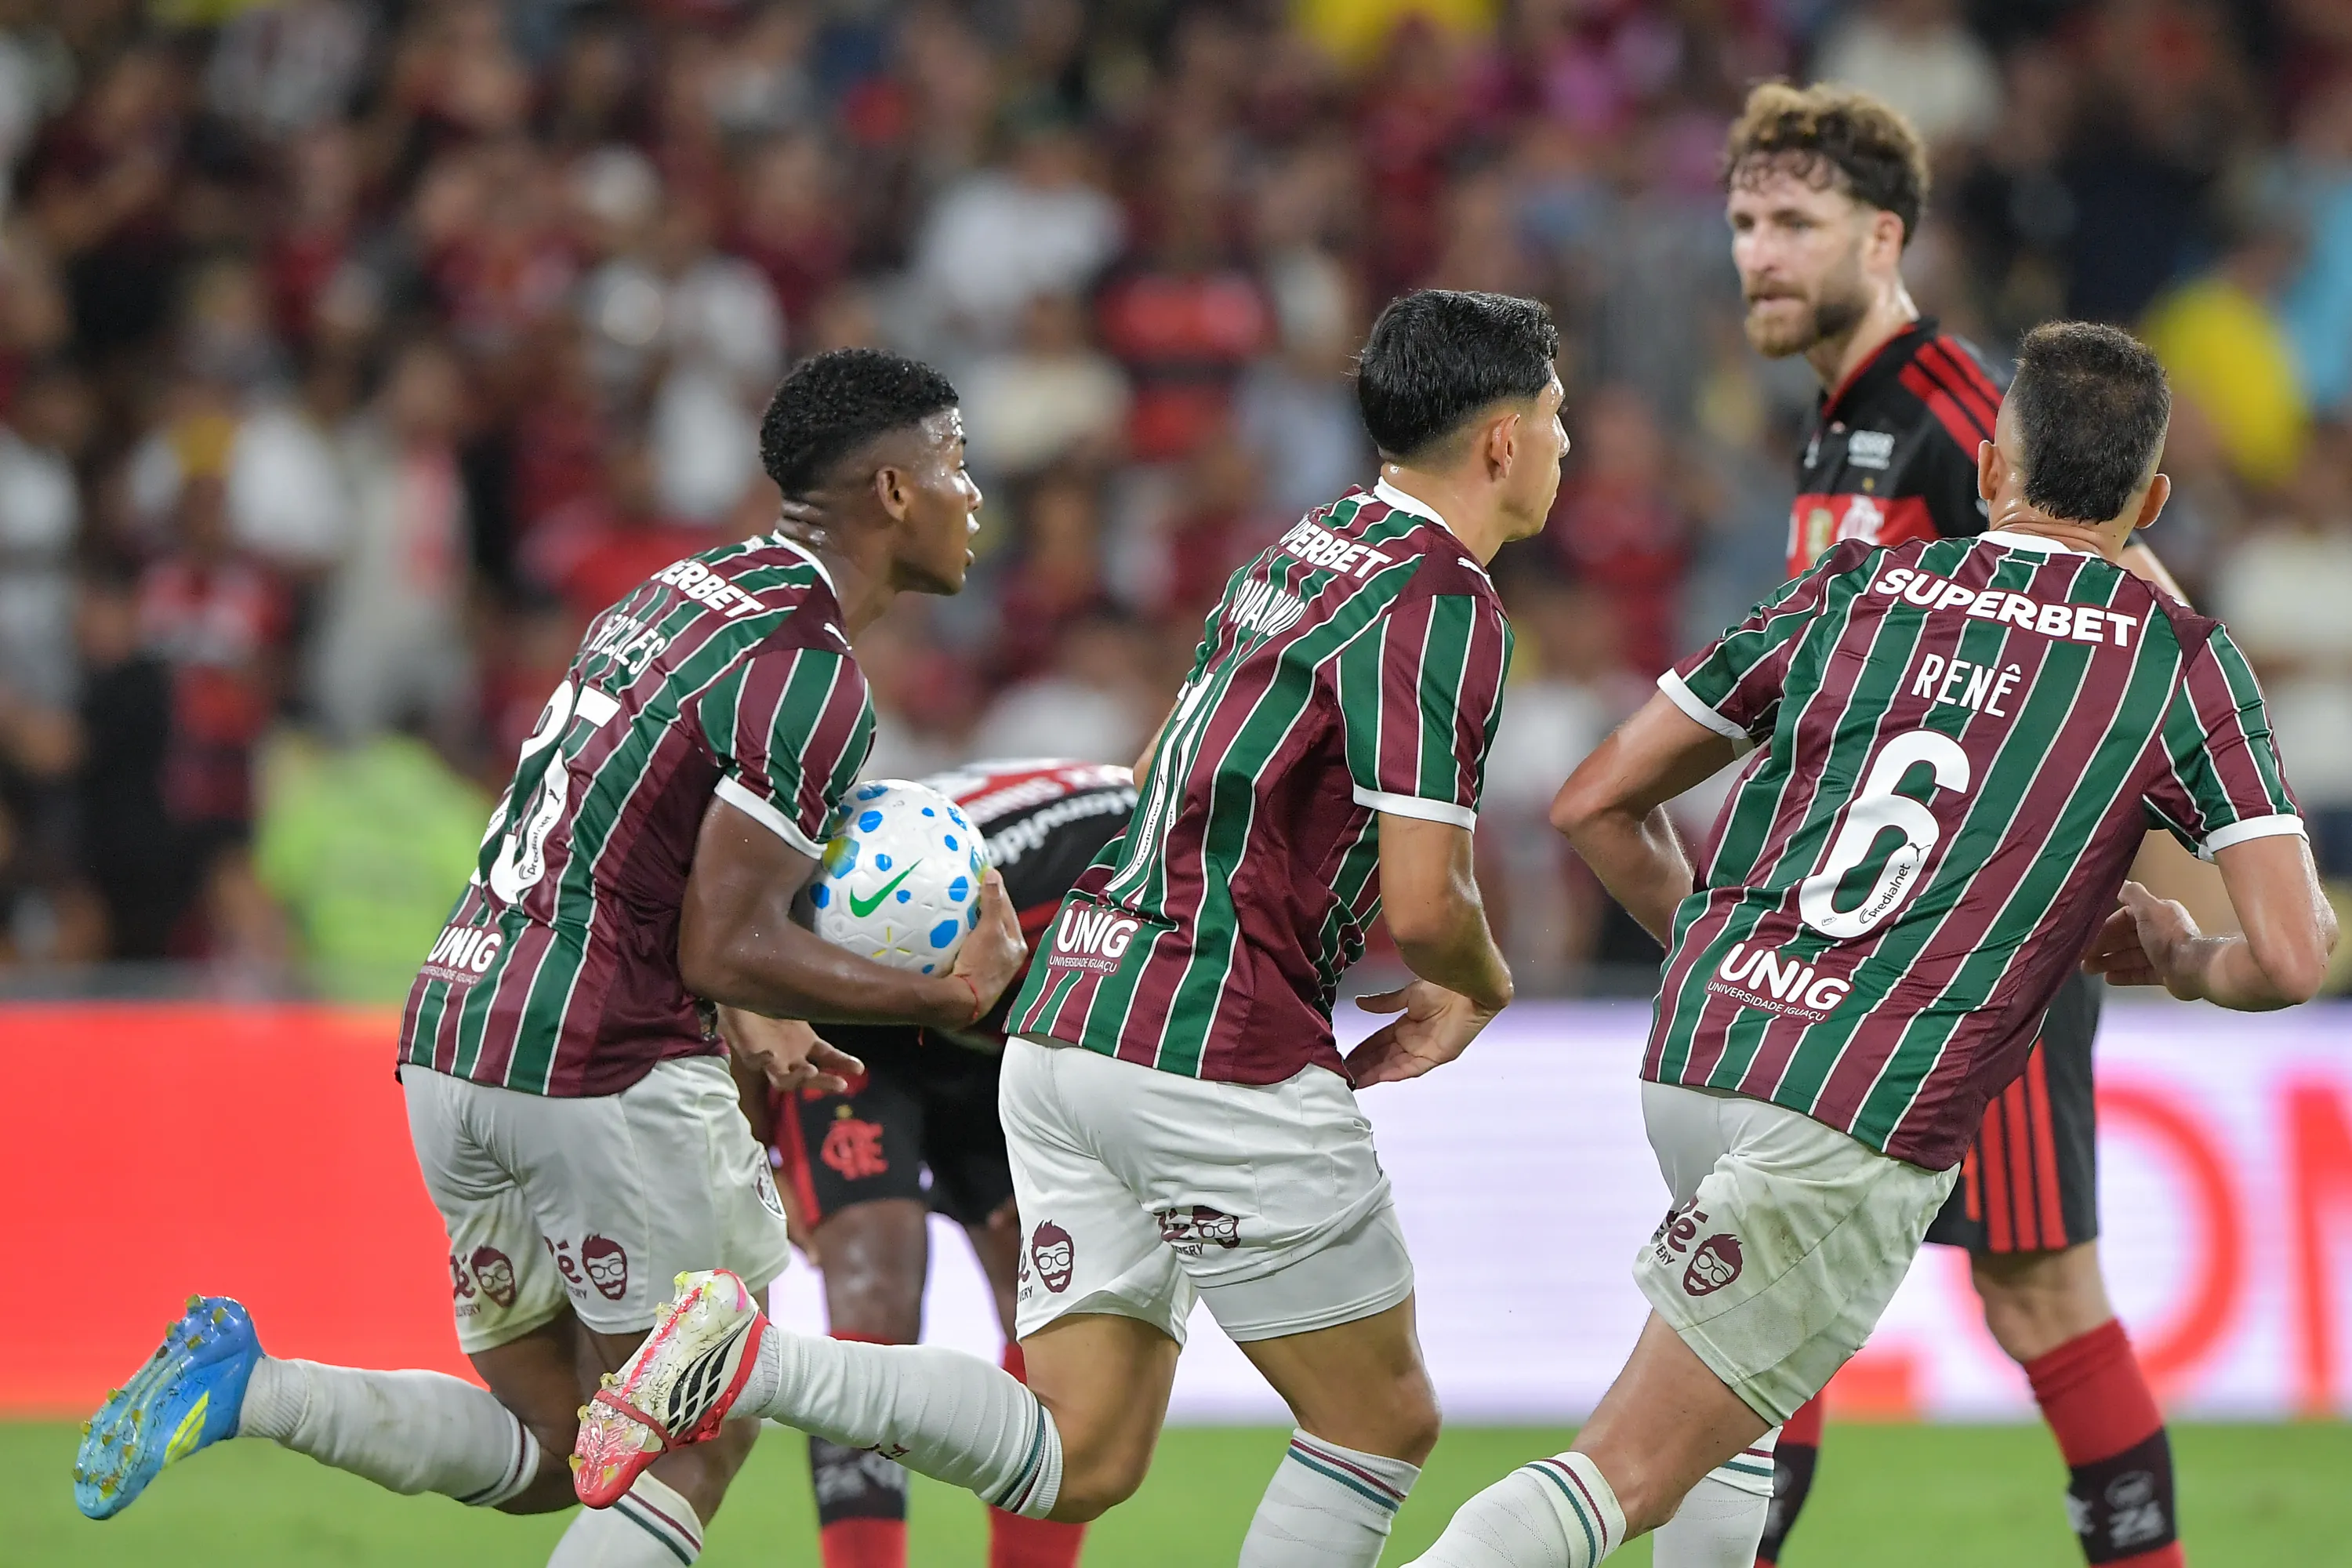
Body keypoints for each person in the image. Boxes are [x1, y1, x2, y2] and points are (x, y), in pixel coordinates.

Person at [572, 287, 1566, 1568]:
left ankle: (753, 1358)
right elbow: (1431, 905)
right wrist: (1477, 983)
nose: (1563, 446)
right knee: (1379, 1421)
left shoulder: (1304, 548)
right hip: (1216, 1037)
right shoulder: (1447, 598)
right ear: (1498, 442)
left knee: (1082, 1453)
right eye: (1553, 419)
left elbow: (1161, 765)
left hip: (1071, 1023)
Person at [73, 348, 1032, 1568]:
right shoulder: (811, 674)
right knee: (701, 1425)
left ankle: (251, 1389)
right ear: (894, 491)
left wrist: (755, 1012)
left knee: (553, 1440)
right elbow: (723, 940)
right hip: (601, 1069)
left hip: (456, 1039)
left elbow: (634, 851)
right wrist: (939, 993)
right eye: (956, 464)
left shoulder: (676, 594)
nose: (975, 497)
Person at [1405, 323, 2335, 1567]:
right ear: (2152, 501)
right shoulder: (2176, 659)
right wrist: (2176, 954)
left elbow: (1589, 804)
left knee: (1739, 1449)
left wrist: (1717, 949)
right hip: (1850, 1110)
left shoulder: (1857, 586)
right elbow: (2289, 956)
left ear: (1994, 470)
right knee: (1622, 1472)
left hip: (1699, 1057)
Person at [1722, 81, 2207, 1568]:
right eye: (1743, 222)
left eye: (1795, 224)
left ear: (1885, 235)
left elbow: (2155, 620)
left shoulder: (1952, 408)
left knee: (2028, 1295)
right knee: (1771, 1279)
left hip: (1970, 949)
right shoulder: (1841, 421)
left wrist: (2182, 890)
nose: (1758, 253)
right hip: (1873, 942)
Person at [753, 757, 1135, 1568]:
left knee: (1050, 1306)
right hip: (857, 1035)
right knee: (872, 1289)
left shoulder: (1111, 885)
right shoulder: (812, 881)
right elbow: (732, 969)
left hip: (1008, 1049)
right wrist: (759, 1149)